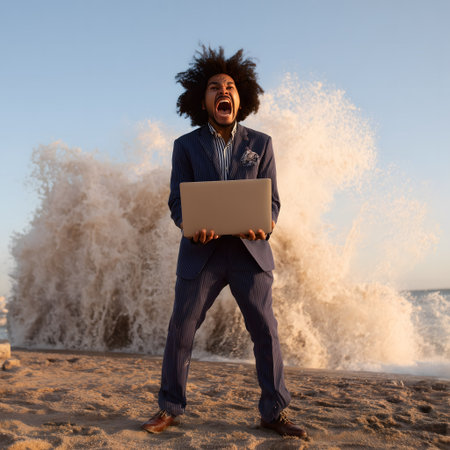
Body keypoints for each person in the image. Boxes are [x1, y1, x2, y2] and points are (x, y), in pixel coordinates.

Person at [141, 46, 307, 439]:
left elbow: (274, 202)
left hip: (249, 252)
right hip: (203, 252)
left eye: (230, 86)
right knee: (181, 328)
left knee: (265, 330)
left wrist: (264, 225)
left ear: (240, 98)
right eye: (214, 87)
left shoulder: (261, 144)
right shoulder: (185, 146)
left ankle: (274, 412)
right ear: (203, 101)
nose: (223, 91)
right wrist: (188, 224)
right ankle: (169, 408)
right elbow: (177, 201)